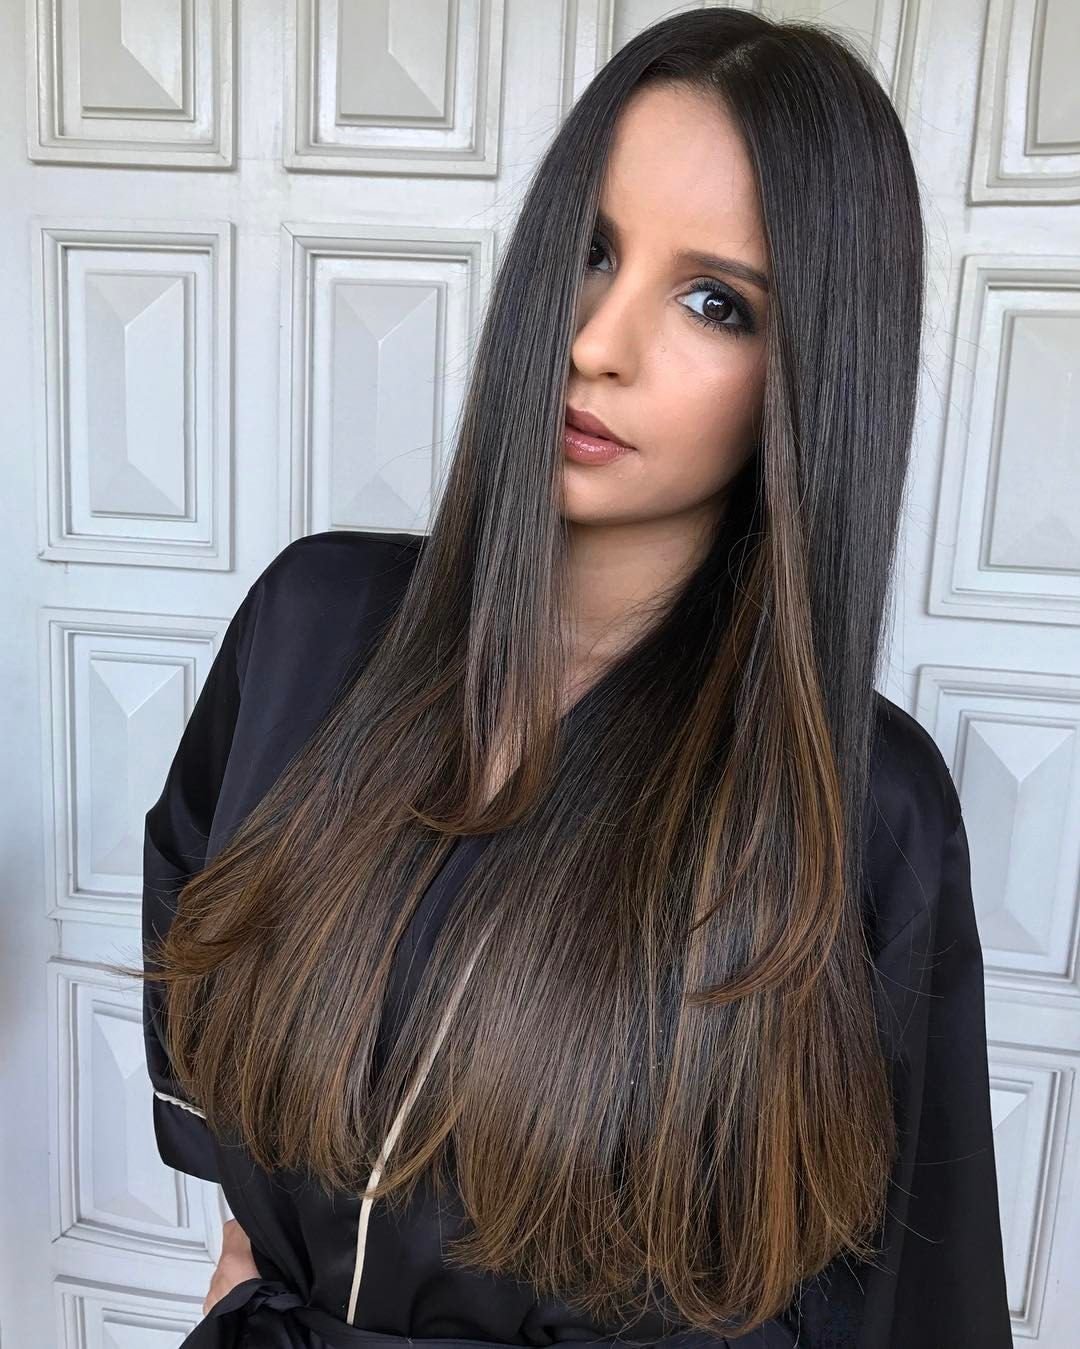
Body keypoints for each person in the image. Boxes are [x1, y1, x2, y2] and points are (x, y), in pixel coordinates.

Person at [114, 7, 1013, 1347]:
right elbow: (188, 898)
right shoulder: (314, 624)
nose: (597, 341)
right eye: (591, 250)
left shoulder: (862, 803)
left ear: (811, 374)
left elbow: (897, 1286)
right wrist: (245, 1246)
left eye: (715, 303)